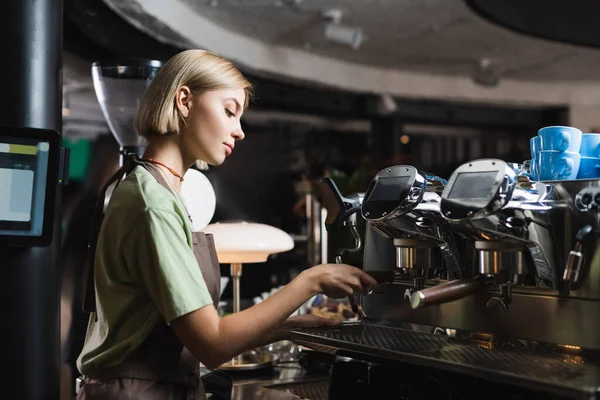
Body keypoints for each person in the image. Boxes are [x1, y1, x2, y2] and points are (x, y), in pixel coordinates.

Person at [75, 49, 377, 399]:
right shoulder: (151, 203)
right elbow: (213, 344)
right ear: (185, 100)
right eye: (229, 111)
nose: (240, 131)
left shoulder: (156, 188)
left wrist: (289, 328)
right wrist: (313, 280)